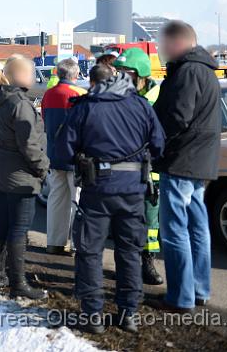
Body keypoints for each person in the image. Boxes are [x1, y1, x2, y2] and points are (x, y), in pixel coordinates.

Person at [56, 64, 165, 333]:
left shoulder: (84, 107)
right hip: (133, 191)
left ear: (93, 83)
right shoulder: (140, 106)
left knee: (90, 251)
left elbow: (62, 151)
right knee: (129, 252)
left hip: (97, 190)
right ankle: (129, 314)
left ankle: (93, 316)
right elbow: (160, 145)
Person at [152, 21, 220, 312]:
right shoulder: (205, 70)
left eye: (163, 44)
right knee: (197, 227)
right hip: (199, 162)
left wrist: (155, 139)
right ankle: (199, 291)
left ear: (177, 43)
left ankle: (180, 297)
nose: (160, 50)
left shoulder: (188, 71)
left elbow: (176, 117)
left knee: (175, 230)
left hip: (181, 160)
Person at [0, 55, 49, 299]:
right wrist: (43, 168)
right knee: (18, 229)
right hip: (20, 175)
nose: (35, 76)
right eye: (31, 72)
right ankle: (18, 283)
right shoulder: (20, 103)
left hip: (3, 170)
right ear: (19, 75)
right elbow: (29, 146)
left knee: (4, 223)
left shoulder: (0, 97)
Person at [114, 47, 164, 286]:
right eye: (119, 71)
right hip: (122, 169)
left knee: (150, 220)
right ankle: (126, 265)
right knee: (123, 220)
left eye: (127, 73)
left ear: (141, 74)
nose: (122, 77)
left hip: (149, 169)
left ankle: (148, 261)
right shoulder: (115, 95)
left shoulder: (158, 96)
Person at [41, 58, 87, 256]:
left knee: (56, 199)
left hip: (54, 155)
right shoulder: (80, 94)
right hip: (75, 157)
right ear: (76, 75)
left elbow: (44, 120)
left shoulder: (48, 95)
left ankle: (54, 242)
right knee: (77, 200)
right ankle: (77, 244)